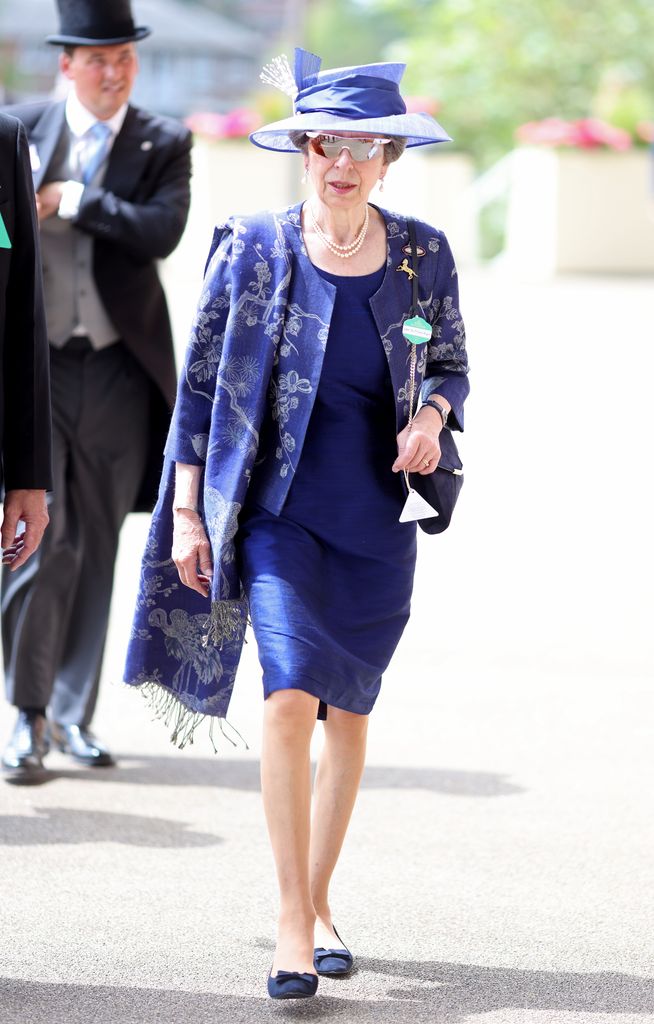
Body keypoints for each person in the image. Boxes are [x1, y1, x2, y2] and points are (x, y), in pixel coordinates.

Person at [125, 49, 469, 999]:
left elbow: (449, 362)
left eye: (364, 144)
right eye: (326, 142)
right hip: (276, 513)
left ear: (389, 158)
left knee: (349, 712)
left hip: (377, 516)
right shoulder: (255, 246)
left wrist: (433, 421)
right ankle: (288, 920)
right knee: (288, 698)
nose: (343, 161)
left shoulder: (419, 253)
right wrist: (187, 513)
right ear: (304, 149)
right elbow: (195, 395)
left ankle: (321, 902)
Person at [1, 0, 192, 782]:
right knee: (45, 544)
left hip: (117, 371)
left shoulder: (163, 141)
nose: (114, 72)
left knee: (100, 544)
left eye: (126, 58)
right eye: (98, 59)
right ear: (66, 66)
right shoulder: (19, 130)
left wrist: (74, 200)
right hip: (34, 370)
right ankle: (26, 712)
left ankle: (73, 715)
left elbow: (161, 231)